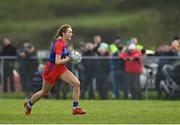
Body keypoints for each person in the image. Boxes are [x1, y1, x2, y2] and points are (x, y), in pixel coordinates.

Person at [24, 24, 86, 115]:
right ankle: (28, 105)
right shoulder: (59, 44)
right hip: (51, 69)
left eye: (71, 32)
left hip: (60, 68)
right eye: (70, 32)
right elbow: (57, 61)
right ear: (64, 33)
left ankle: (75, 108)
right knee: (44, 92)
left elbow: (62, 57)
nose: (71, 34)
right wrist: (69, 58)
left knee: (76, 83)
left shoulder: (65, 43)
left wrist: (73, 55)